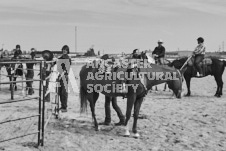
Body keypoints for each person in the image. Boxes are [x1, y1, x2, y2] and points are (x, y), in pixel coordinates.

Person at [57, 45, 71, 112]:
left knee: (64, 92)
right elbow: (56, 63)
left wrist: (61, 75)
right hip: (59, 75)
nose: (64, 50)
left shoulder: (68, 58)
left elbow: (66, 69)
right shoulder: (60, 58)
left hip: (64, 76)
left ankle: (64, 107)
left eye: (65, 50)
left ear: (67, 51)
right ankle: (62, 106)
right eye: (63, 49)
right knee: (59, 92)